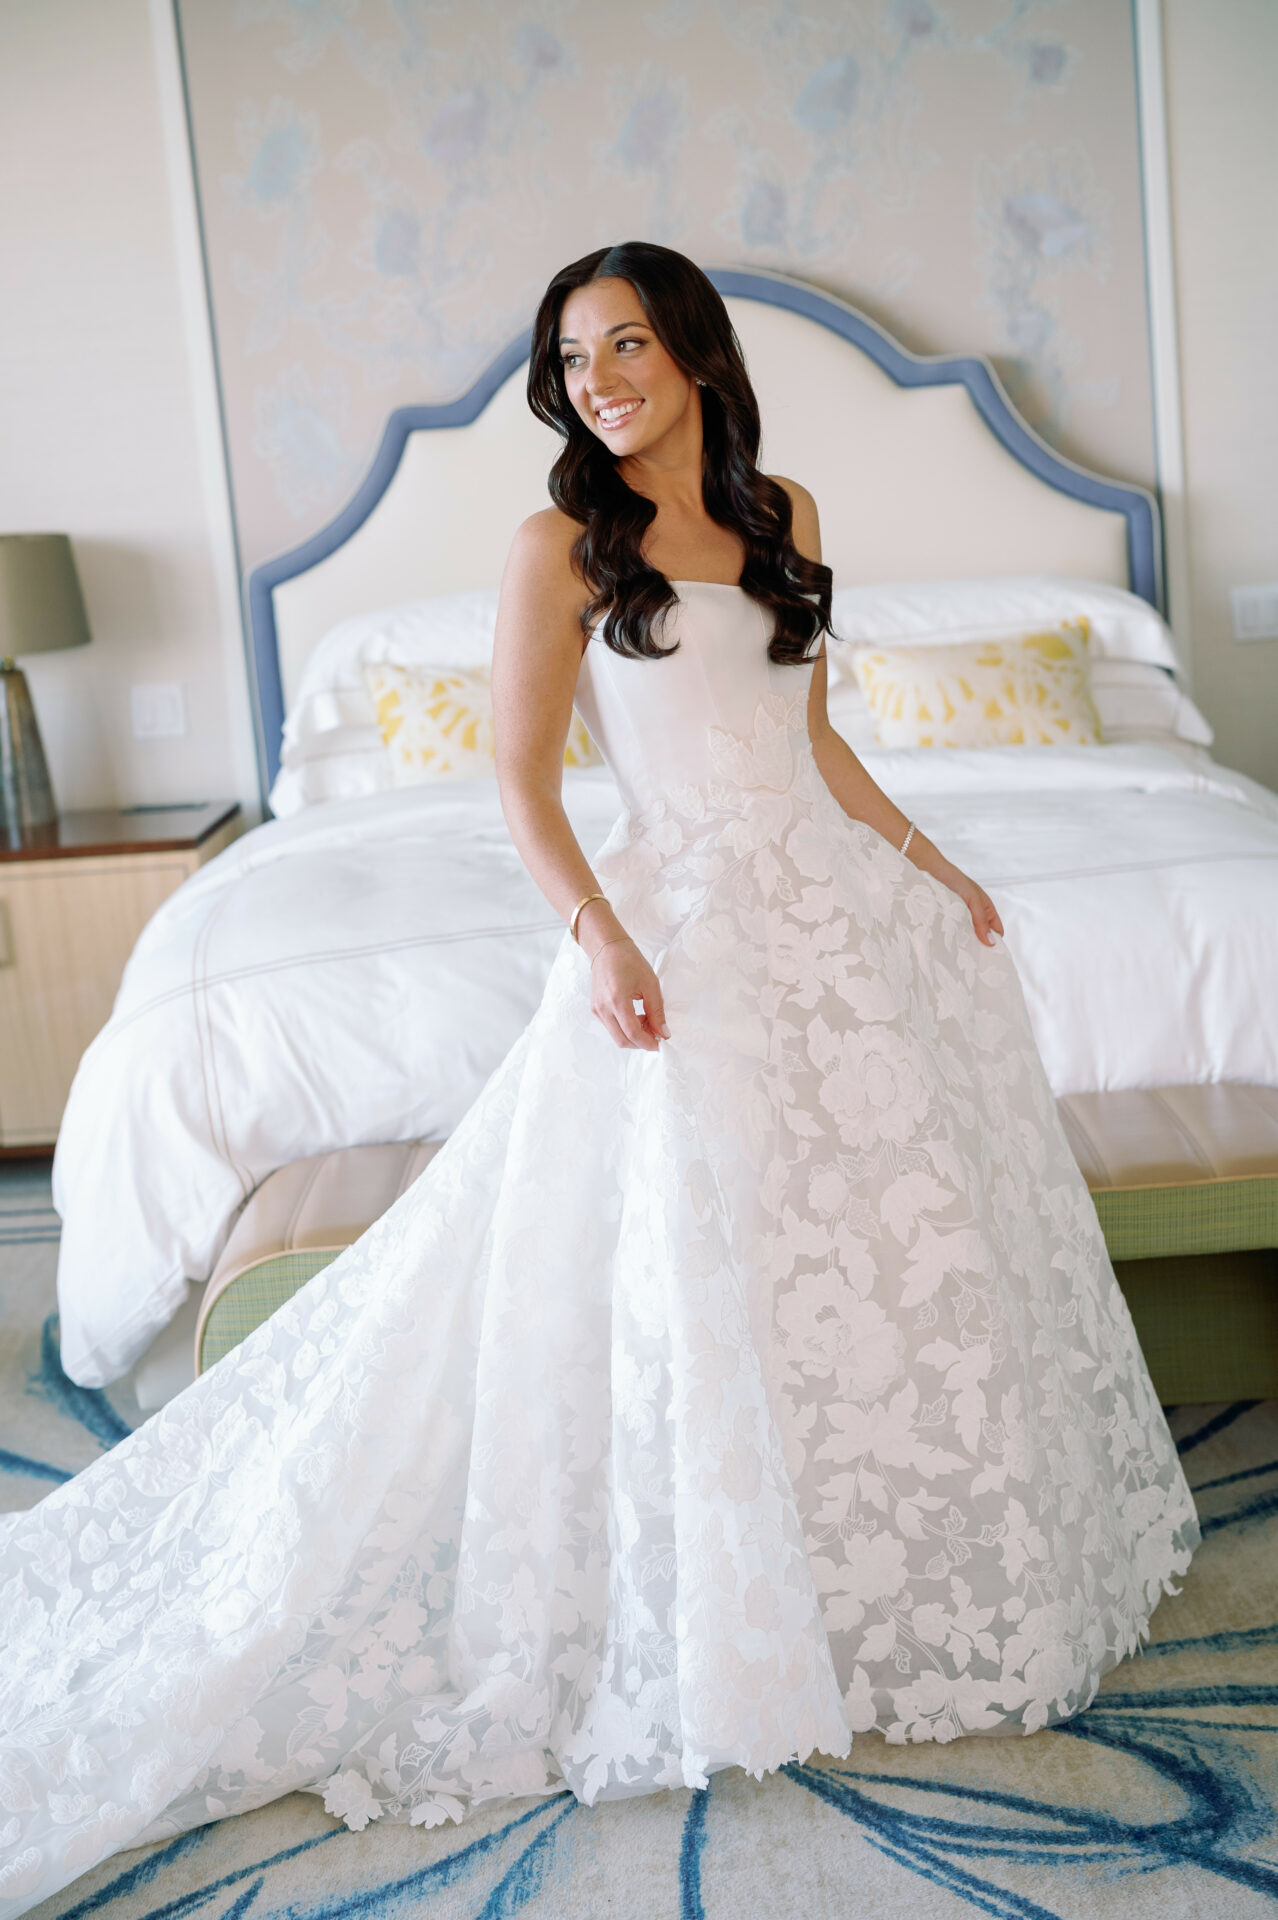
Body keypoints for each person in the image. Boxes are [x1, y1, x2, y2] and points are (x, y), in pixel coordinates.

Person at [0, 242, 1198, 1914]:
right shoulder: (557, 542)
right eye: (572, 355)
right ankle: (710, 1605)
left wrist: (934, 862)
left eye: (626, 341)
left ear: (691, 351)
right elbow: (516, 775)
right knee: (696, 1254)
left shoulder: (783, 509)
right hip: (676, 925)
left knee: (864, 1245)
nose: (599, 375)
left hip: (824, 915)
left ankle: (869, 1584)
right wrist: (604, 938)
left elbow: (814, 733)